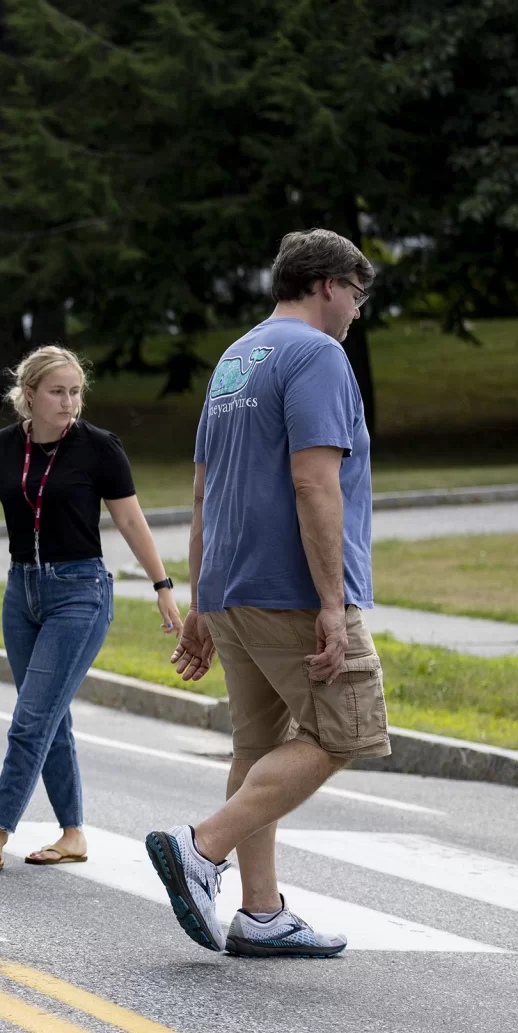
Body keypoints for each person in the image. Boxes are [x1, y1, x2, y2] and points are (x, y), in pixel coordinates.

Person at [149, 228, 387, 960]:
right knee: (346, 730)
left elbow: (201, 489)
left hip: (230, 584)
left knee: (256, 745)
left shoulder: (236, 357)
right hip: (290, 586)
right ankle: (201, 848)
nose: (355, 310)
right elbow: (313, 479)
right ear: (325, 283)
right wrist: (329, 600)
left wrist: (200, 597)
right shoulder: (317, 354)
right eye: (354, 293)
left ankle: (259, 912)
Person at [0, 346, 180, 870]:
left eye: (75, 392)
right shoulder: (1, 448)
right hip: (20, 594)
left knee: (30, 719)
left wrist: (162, 585)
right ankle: (73, 835)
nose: (70, 402)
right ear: (29, 396)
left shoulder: (100, 449)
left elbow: (132, 521)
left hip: (80, 594)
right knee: (50, 716)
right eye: (57, 392)